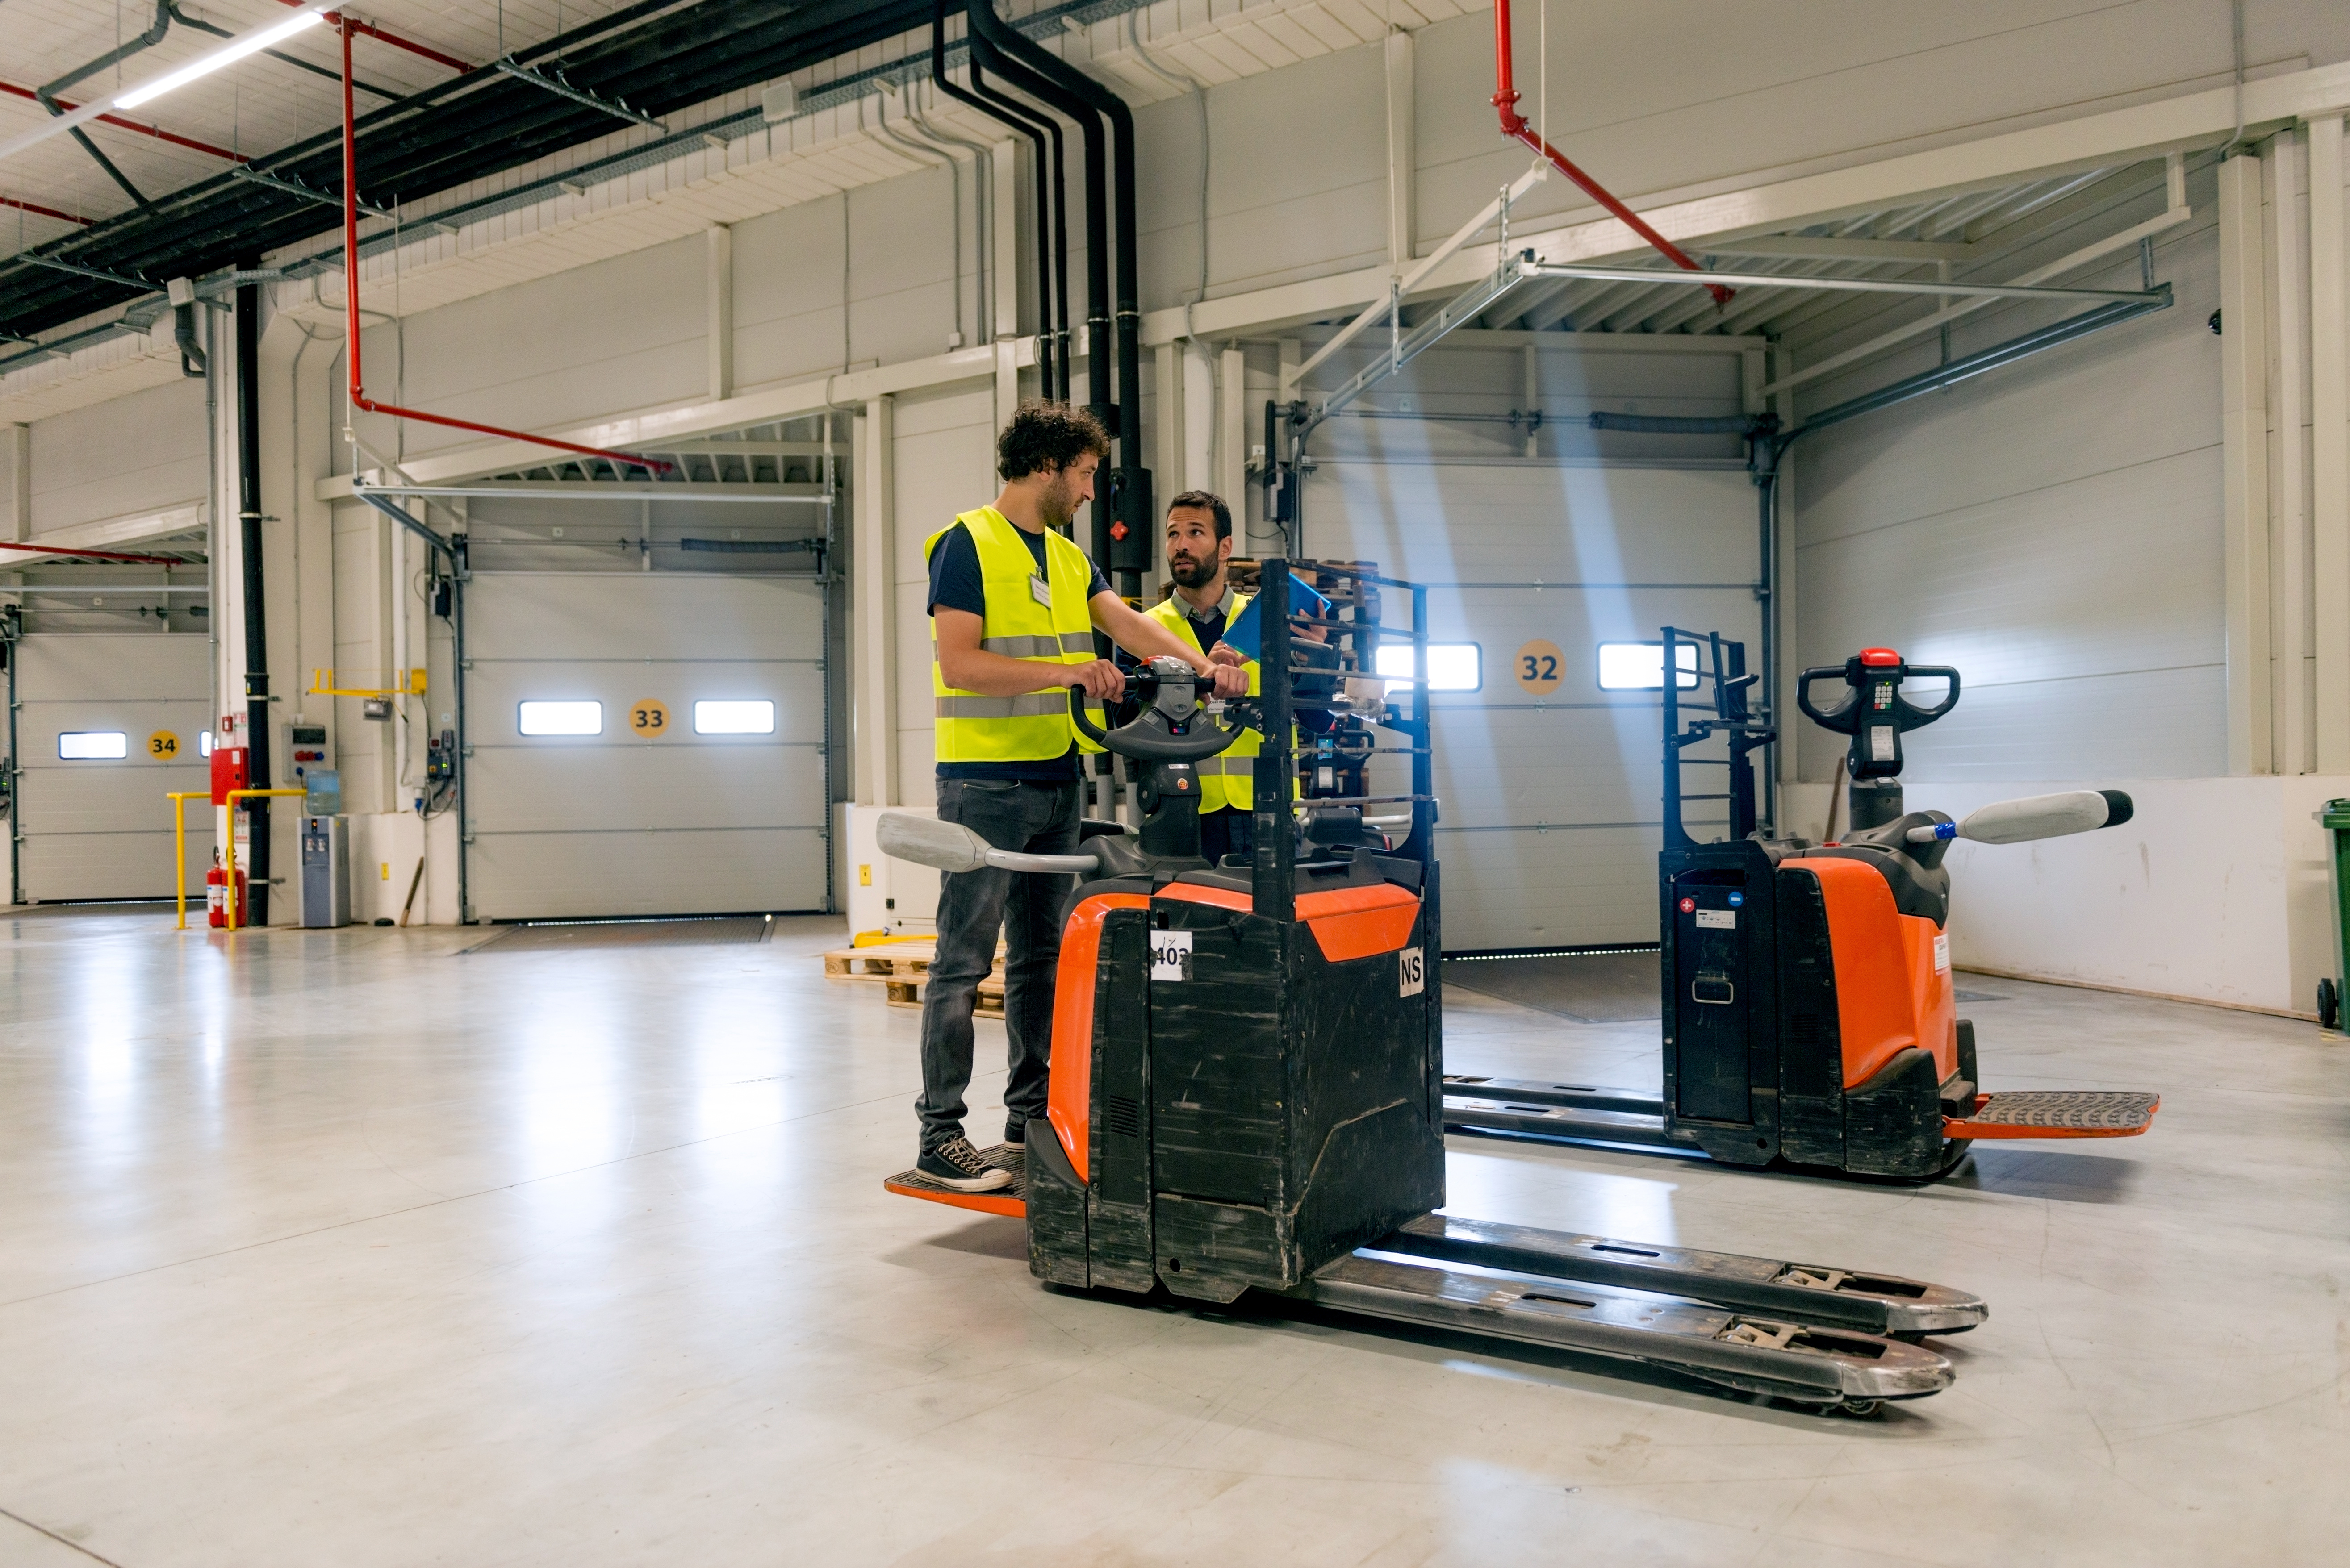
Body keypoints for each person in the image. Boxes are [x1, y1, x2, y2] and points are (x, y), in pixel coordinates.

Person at [916, 403, 1248, 1193]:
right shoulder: (967, 544)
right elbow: (960, 664)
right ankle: (940, 1134)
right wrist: (1067, 673)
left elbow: (1129, 627)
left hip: (1056, 778)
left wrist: (1204, 668)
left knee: (1039, 961)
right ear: (1049, 466)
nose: (1094, 491)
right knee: (962, 962)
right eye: (1088, 474)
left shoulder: (1067, 557)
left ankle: (1028, 1120)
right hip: (984, 782)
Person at [1142, 490, 1258, 867]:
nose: (1181, 545)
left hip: (1264, 811)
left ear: (1225, 548)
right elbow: (1125, 720)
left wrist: (1306, 660)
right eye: (1173, 534)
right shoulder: (1145, 630)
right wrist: (1196, 683)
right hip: (1180, 811)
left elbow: (1316, 720)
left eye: (1195, 532)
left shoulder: (1263, 623)